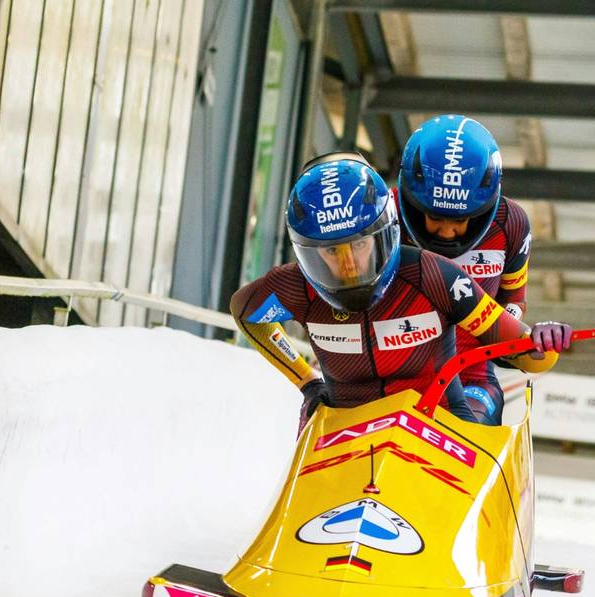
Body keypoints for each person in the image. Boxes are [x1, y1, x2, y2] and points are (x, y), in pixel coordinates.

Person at [230, 152, 573, 431]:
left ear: (384, 233)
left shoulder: (434, 276)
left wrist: (542, 342)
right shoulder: (294, 287)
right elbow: (248, 316)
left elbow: (526, 354)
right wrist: (307, 381)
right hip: (346, 425)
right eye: (332, 252)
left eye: (360, 245)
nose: (349, 265)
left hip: (438, 423)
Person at [395, 115, 531, 425]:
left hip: (471, 377)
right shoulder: (381, 217)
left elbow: (514, 299)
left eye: (459, 221)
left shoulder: (511, 224)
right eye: (434, 217)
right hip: (392, 377)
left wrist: (511, 336)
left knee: (468, 424)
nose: (446, 233)